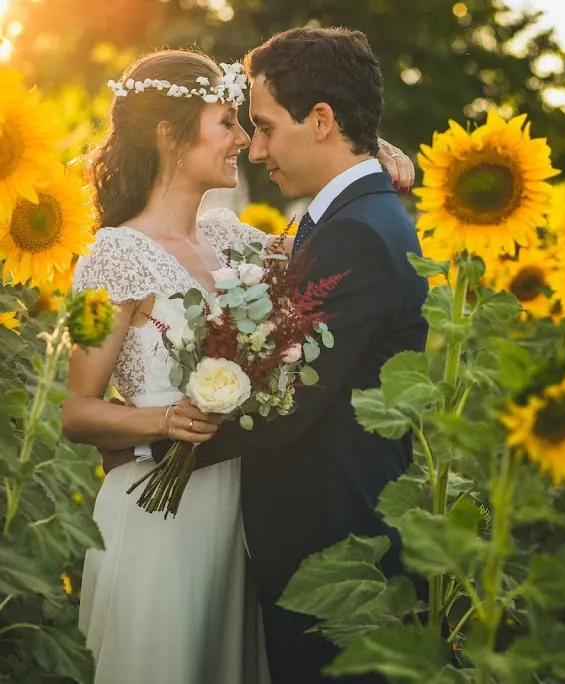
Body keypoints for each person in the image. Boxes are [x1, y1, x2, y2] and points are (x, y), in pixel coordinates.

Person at [61, 46, 416, 684]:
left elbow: (333, 245)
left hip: (236, 515)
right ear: (171, 136)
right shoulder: (106, 262)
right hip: (157, 514)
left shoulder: (233, 239)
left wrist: (372, 152)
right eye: (228, 123)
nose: (246, 141)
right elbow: (75, 411)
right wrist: (165, 423)